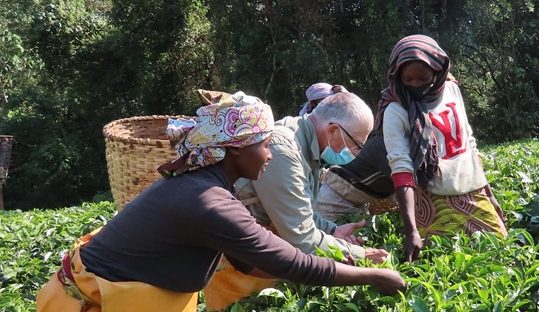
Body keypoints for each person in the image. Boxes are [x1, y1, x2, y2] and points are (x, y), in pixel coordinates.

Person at [35, 90, 405, 312]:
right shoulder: (209, 201)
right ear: (235, 151)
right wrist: (372, 276)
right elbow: (294, 260)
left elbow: (251, 256)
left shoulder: (205, 185)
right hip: (90, 304)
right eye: (263, 145)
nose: (270, 154)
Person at [204, 91, 391, 310]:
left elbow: (303, 213)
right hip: (239, 264)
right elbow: (301, 237)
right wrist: (364, 258)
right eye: (357, 145)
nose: (356, 153)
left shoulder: (306, 146)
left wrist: (332, 231)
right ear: (334, 131)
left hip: (262, 256)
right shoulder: (283, 151)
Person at [372, 34, 507, 262]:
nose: (415, 85)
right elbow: (401, 168)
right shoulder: (395, 111)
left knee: (499, 253)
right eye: (408, 79)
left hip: (471, 192)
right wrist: (411, 230)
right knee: (445, 264)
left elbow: (468, 144)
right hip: (431, 199)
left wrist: (488, 193)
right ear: (397, 76)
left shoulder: (452, 91)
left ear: (437, 72)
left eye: (422, 79)